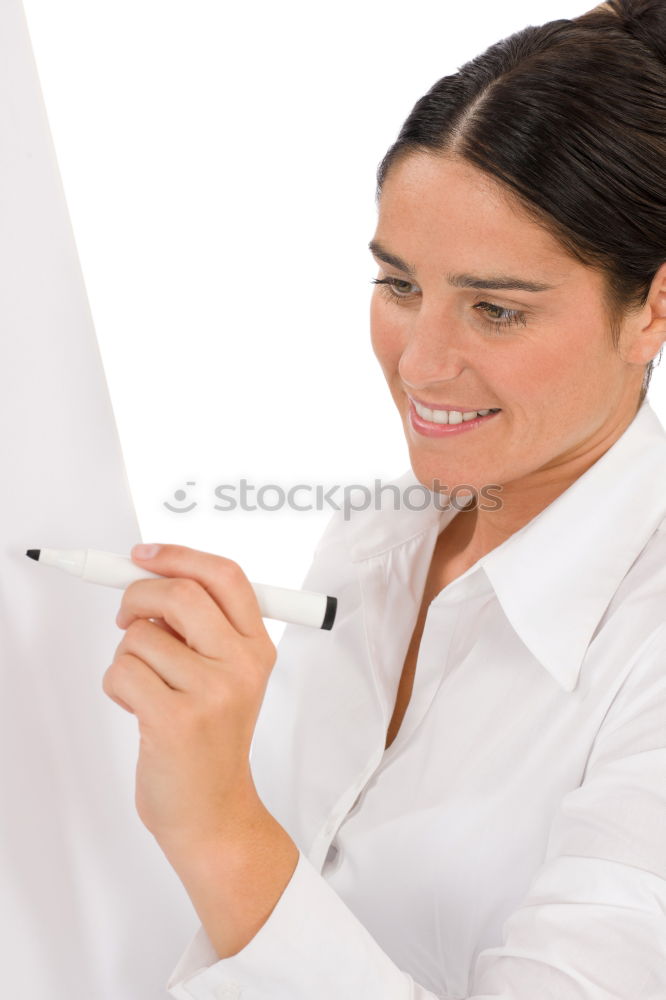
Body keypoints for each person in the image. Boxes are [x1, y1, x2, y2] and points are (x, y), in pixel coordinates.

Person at [103, 1, 666, 997]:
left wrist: (220, 827)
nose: (421, 361)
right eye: (399, 285)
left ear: (652, 308)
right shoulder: (381, 531)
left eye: (495, 308)